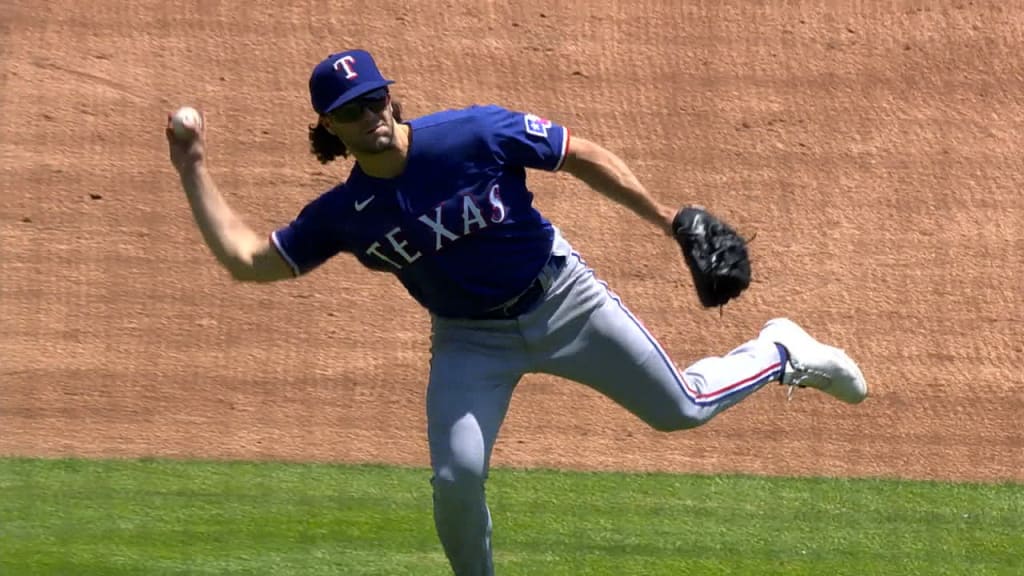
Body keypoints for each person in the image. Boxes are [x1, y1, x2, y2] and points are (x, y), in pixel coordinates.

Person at [165, 48, 868, 576]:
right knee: (455, 477)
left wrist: (667, 222)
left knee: (679, 409)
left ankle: (782, 353)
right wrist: (192, 165)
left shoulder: (472, 134)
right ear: (329, 126)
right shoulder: (343, 214)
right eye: (352, 110)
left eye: (377, 99)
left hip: (563, 298)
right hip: (471, 344)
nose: (371, 115)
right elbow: (250, 262)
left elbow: (578, 154)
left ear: (391, 98)